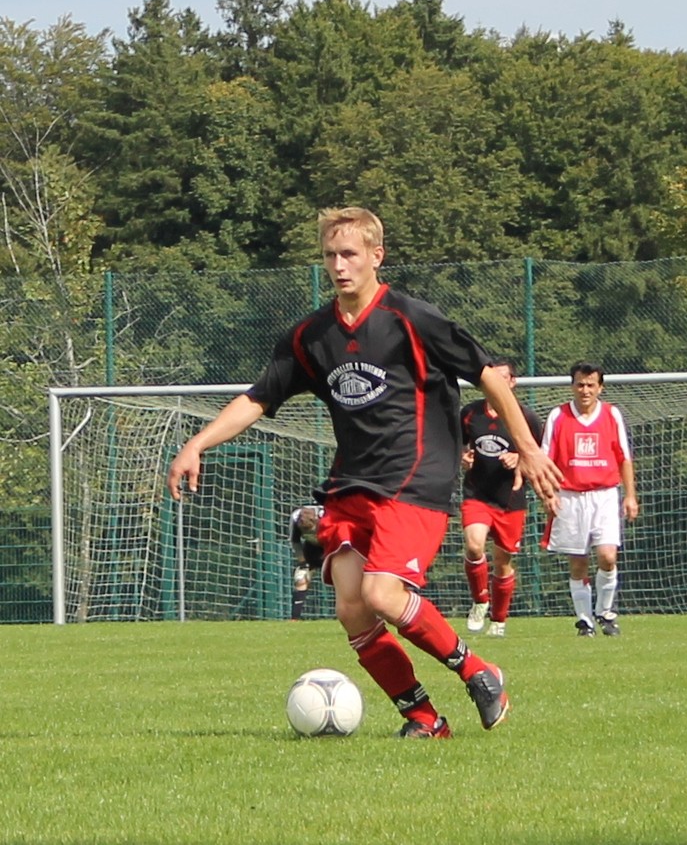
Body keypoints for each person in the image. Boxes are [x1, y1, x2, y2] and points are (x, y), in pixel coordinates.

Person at [168, 206, 561, 738]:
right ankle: (424, 719)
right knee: (352, 607)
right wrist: (198, 442)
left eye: (350, 253)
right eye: (330, 255)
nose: (339, 264)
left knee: (382, 594)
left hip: (416, 476)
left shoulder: (412, 319)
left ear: (377, 256)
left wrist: (529, 447)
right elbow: (259, 397)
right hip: (351, 481)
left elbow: (488, 375)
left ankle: (478, 671)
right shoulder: (311, 335)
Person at [540, 361, 639, 637]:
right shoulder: (558, 416)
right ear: (572, 386)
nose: (585, 390)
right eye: (580, 384)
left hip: (604, 495)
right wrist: (548, 494)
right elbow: (545, 460)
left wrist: (630, 495)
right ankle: (584, 621)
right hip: (569, 497)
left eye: (590, 385)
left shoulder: (611, 414)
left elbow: (624, 457)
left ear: (600, 387)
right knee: (578, 562)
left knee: (608, 556)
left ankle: (606, 613)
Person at [460, 357, 543, 638]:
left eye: (503, 377)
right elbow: (457, 444)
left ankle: (498, 620)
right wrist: (463, 455)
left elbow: (541, 455)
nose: (497, 383)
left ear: (512, 382)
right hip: (477, 494)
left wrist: (520, 456)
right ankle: (480, 601)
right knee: (474, 547)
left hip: (510, 499)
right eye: (491, 378)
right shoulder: (470, 413)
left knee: (502, 563)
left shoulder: (526, 417)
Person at [289, 504, 324, 620]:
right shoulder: (295, 518)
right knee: (301, 579)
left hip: (331, 547)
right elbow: (295, 542)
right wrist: (302, 561)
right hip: (311, 549)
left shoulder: (327, 516)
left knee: (342, 581)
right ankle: (294, 619)